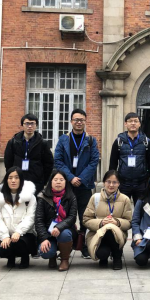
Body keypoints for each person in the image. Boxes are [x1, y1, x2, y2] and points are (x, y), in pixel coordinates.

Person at [54, 108, 100, 259]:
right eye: (76, 120)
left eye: (81, 120)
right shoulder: (64, 140)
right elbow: (58, 161)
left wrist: (80, 178)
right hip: (67, 185)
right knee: (66, 216)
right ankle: (66, 246)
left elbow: (94, 161)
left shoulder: (91, 140)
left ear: (85, 122)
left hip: (84, 185)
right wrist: (70, 178)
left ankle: (84, 246)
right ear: (71, 121)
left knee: (85, 217)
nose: (79, 122)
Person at [83, 170, 133, 271]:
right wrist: (101, 222)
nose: (111, 185)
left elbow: (129, 222)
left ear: (119, 184)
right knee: (102, 253)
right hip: (98, 234)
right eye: (108, 181)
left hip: (117, 235)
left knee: (111, 228)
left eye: (114, 182)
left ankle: (117, 256)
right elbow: (86, 219)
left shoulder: (125, 199)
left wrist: (117, 222)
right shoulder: (95, 198)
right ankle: (104, 256)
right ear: (104, 182)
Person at [0, 167, 37, 269]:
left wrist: (18, 232)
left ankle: (25, 257)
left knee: (20, 243)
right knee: (4, 248)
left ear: (21, 179)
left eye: (16, 178)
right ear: (6, 180)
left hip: (25, 234)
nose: (13, 180)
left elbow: (30, 217)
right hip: (8, 233)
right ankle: (10, 257)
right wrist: (5, 236)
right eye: (10, 178)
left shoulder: (30, 197)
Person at [109, 113, 150, 203]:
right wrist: (112, 181)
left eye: (135, 121)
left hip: (141, 183)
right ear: (125, 124)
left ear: (139, 124)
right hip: (123, 183)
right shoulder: (119, 142)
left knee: (141, 209)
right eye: (130, 121)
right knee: (121, 208)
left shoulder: (146, 142)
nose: (133, 123)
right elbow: (113, 163)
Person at [35, 170, 78, 272]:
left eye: (61, 180)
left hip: (66, 229)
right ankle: (52, 256)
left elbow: (72, 217)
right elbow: (39, 220)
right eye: (55, 180)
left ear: (65, 182)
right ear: (51, 182)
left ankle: (64, 259)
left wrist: (59, 227)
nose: (58, 182)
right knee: (45, 252)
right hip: (48, 231)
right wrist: (44, 238)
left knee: (64, 234)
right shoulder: (43, 197)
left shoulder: (71, 197)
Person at [4, 114, 54, 195]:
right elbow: (8, 161)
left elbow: (48, 163)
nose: (30, 126)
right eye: (27, 123)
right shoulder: (13, 142)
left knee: (34, 202)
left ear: (36, 125)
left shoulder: (42, 143)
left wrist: (43, 180)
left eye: (32, 123)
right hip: (18, 180)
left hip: (36, 181)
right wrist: (12, 177)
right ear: (22, 125)